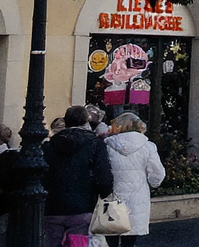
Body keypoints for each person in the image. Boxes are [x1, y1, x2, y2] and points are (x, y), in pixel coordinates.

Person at [43, 106, 113, 247]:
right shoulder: (94, 143)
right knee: (77, 243)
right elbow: (103, 176)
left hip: (52, 205)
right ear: (85, 121)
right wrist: (104, 194)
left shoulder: (49, 145)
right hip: (82, 205)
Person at [99, 112, 165, 247]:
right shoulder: (147, 146)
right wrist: (153, 183)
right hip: (137, 198)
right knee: (129, 239)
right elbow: (157, 173)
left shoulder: (107, 146)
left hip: (112, 196)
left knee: (110, 238)